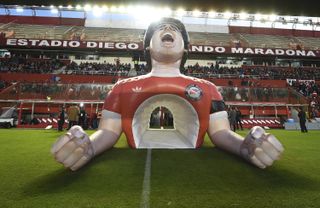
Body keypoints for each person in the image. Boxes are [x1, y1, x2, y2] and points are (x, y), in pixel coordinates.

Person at [51, 18, 284, 171]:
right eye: (160, 28)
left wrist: (244, 146)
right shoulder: (121, 88)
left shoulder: (208, 89)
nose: (168, 30)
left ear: (186, 47)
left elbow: (221, 133)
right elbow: (108, 132)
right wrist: (88, 146)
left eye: (175, 30)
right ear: (148, 46)